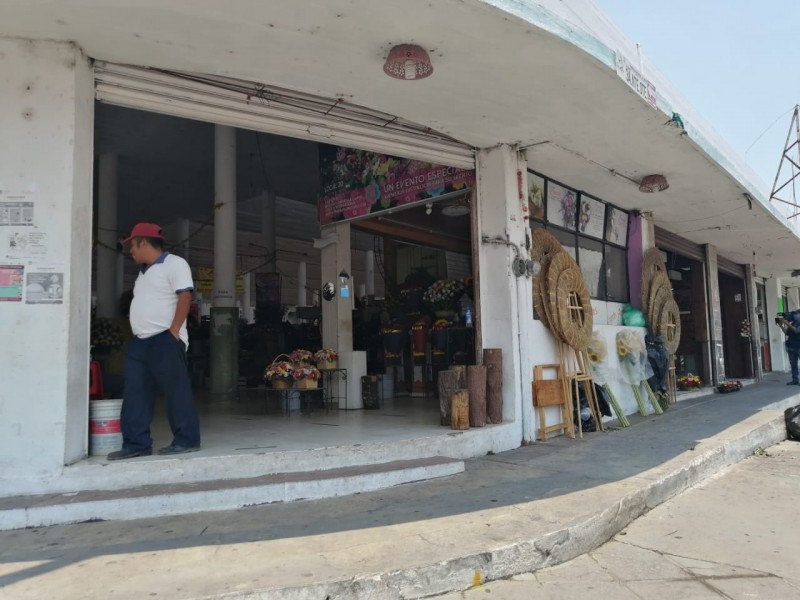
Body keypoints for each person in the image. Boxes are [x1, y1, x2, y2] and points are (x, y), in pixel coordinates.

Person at [107, 223, 201, 460]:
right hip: (140, 342)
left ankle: (186, 439)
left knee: (175, 392)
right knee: (135, 392)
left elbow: (185, 296)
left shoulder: (175, 264)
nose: (131, 251)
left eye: (133, 246)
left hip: (165, 339)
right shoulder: (143, 272)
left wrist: (174, 331)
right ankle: (136, 443)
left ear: (144, 243)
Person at [777, 310, 800, 386]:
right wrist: (781, 326)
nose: (795, 316)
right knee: (793, 364)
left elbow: (797, 331)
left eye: (796, 314)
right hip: (791, 346)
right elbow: (787, 333)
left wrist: (787, 323)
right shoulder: (793, 323)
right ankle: (795, 380)